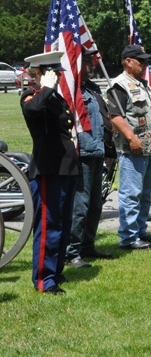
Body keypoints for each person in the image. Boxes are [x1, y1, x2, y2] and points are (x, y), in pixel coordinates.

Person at [20, 51, 79, 294]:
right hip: (48, 167)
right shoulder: (32, 95)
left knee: (63, 224)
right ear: (39, 73)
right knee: (49, 224)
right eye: (53, 73)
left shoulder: (55, 97)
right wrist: (44, 88)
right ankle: (44, 280)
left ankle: (56, 270)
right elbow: (33, 111)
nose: (58, 77)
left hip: (65, 166)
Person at [107, 44, 151, 250]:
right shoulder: (119, 86)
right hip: (132, 149)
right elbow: (115, 117)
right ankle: (128, 237)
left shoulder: (142, 84)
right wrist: (131, 139)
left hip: (149, 148)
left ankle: (140, 230)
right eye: (142, 61)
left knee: (146, 192)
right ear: (128, 62)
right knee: (131, 194)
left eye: (147, 61)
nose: (146, 64)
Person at [66, 47, 116, 268]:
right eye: (87, 60)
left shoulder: (92, 89)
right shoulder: (71, 90)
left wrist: (109, 150)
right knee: (80, 205)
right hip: (82, 153)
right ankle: (71, 252)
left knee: (95, 204)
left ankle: (87, 245)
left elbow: (105, 119)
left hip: (97, 151)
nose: (92, 64)